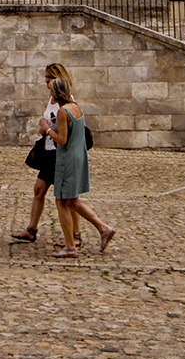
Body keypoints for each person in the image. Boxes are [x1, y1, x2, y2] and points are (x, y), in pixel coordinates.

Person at [11, 65, 117, 252]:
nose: (45, 81)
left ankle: (75, 240)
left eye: (48, 78)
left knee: (66, 199)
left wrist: (46, 129)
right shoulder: (66, 105)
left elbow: (62, 138)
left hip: (61, 155)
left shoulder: (65, 108)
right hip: (59, 154)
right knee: (54, 194)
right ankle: (39, 231)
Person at [46, 75, 115, 259]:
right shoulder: (76, 108)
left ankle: (70, 246)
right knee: (73, 200)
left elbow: (62, 139)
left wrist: (46, 129)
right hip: (78, 157)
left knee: (61, 201)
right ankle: (103, 228)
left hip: (67, 159)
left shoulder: (63, 112)